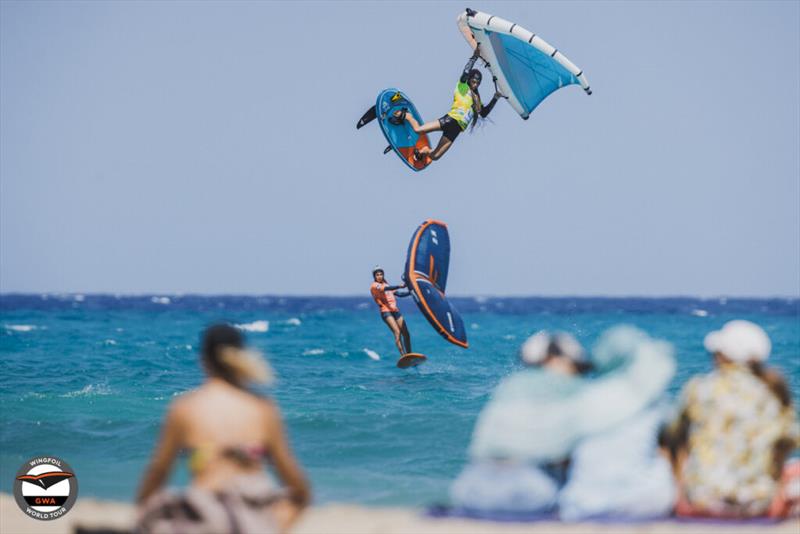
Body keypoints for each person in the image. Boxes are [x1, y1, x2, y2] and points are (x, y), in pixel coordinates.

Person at [450, 326, 676, 520]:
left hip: (470, 488)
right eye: (576, 367)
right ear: (557, 360)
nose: (577, 374)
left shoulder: (508, 387)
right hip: (528, 491)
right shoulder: (572, 392)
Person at [136, 324, 310, 534]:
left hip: (205, 512)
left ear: (204, 361)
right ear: (241, 358)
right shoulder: (262, 408)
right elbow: (291, 476)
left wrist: (140, 511)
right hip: (252, 514)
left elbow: (158, 471)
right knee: (299, 498)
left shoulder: (186, 407)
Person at [665, 320, 799, 518]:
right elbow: (787, 443)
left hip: (701, 500)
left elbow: (673, 440)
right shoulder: (774, 395)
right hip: (757, 502)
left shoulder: (698, 388)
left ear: (723, 356)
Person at [393, 44, 503, 162]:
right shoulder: (463, 87)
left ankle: (424, 151)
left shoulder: (476, 100)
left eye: (478, 83)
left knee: (435, 157)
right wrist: (474, 57)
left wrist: (495, 98)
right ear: (470, 79)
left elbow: (484, 113)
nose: (475, 84)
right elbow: (466, 71)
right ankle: (408, 116)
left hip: (456, 130)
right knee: (418, 130)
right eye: (474, 81)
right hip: (449, 120)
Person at [369, 267, 411, 356]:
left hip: (395, 310)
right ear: (374, 276)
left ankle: (410, 355)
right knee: (397, 332)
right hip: (386, 312)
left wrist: (411, 292)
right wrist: (400, 286)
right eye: (377, 275)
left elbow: (399, 294)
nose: (379, 276)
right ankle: (403, 355)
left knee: (406, 333)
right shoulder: (375, 286)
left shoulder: (386, 284)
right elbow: (386, 289)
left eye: (381, 274)